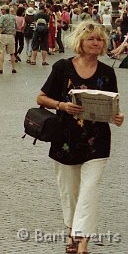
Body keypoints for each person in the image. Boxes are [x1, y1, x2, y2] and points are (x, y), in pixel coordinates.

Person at [36, 21, 124, 254]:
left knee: (90, 190)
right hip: (65, 139)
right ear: (80, 42)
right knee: (70, 192)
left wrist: (117, 117)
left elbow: (113, 106)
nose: (97, 43)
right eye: (91, 39)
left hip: (97, 141)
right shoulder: (62, 68)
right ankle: (70, 233)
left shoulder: (108, 72)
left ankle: (82, 243)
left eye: (100, 39)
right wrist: (61, 105)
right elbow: (41, 98)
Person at [0, 5, 17, 74]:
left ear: (5, 10)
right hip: (11, 36)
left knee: (1, 52)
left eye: (2, 9)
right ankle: (13, 68)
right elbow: (15, 27)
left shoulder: (3, 17)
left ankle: (1, 69)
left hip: (3, 35)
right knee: (12, 53)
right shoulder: (13, 17)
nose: (1, 11)